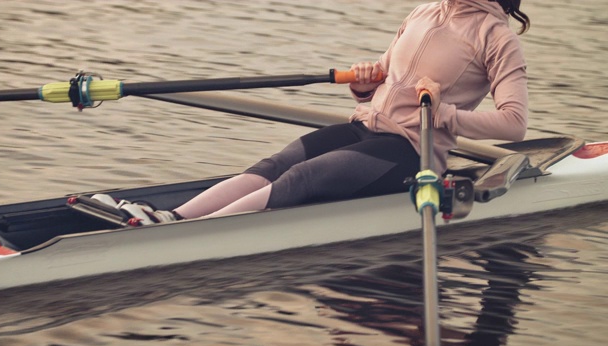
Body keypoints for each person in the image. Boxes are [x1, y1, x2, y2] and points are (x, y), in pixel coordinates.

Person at [106, 0, 531, 224]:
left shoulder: (497, 38)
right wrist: (365, 81)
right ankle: (173, 217)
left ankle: (186, 235)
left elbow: (514, 123)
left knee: (302, 178)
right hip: (365, 129)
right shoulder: (423, 12)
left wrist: (444, 114)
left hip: (410, 151)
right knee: (275, 164)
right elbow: (384, 78)